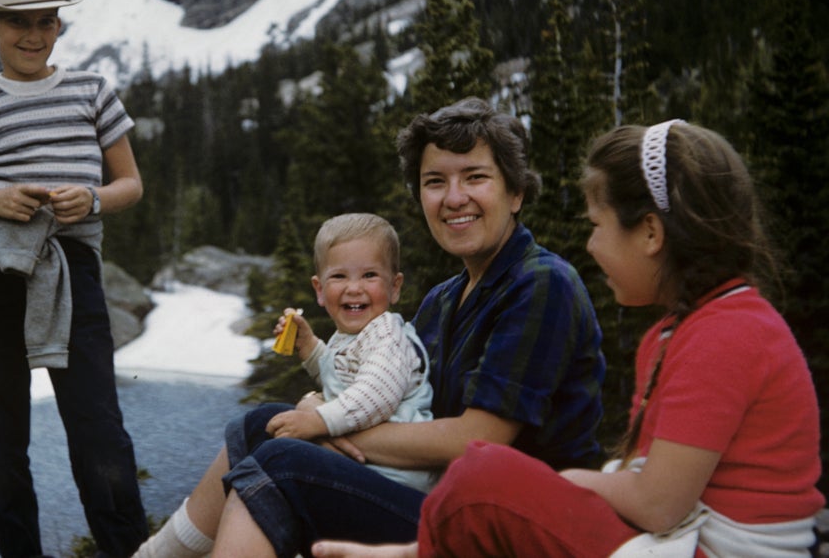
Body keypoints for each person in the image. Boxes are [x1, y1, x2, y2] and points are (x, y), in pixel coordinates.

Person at [313, 120, 826, 557]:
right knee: (482, 479)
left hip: (713, 548)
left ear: (650, 233)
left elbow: (657, 503)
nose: (590, 244)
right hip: (686, 538)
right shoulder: (687, 328)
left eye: (597, 226)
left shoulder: (727, 334)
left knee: (482, 476)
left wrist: (574, 482)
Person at [133, 97, 606, 558]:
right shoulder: (444, 299)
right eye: (435, 181)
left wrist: (323, 427)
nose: (454, 197)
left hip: (518, 528)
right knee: (261, 425)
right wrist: (317, 410)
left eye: (476, 177)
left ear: (516, 191)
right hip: (449, 500)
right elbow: (393, 397)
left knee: (283, 458)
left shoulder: (541, 284)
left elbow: (476, 440)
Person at [0, 0, 148, 558]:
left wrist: (94, 199)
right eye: (17, 21)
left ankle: (129, 552)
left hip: (71, 270)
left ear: (59, 25)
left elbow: (131, 183)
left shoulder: (92, 91)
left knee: (99, 429)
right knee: (0, 437)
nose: (34, 34)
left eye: (46, 20)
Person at [268, 213, 436, 492]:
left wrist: (316, 420)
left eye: (369, 275)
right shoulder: (350, 336)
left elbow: (373, 396)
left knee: (275, 458)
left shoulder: (386, 335)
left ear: (394, 288)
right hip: (369, 462)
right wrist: (309, 347)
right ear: (320, 290)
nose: (354, 288)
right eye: (339, 276)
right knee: (266, 435)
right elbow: (345, 385)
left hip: (399, 475)